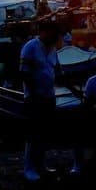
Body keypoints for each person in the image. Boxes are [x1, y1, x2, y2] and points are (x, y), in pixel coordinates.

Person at [19, 19, 62, 181]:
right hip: (33, 98)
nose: (56, 37)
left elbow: (57, 71)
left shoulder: (53, 50)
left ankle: (41, 165)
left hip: (49, 97)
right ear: (43, 31)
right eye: (54, 33)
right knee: (33, 133)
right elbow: (24, 74)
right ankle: (29, 168)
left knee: (44, 133)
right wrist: (34, 94)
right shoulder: (30, 48)